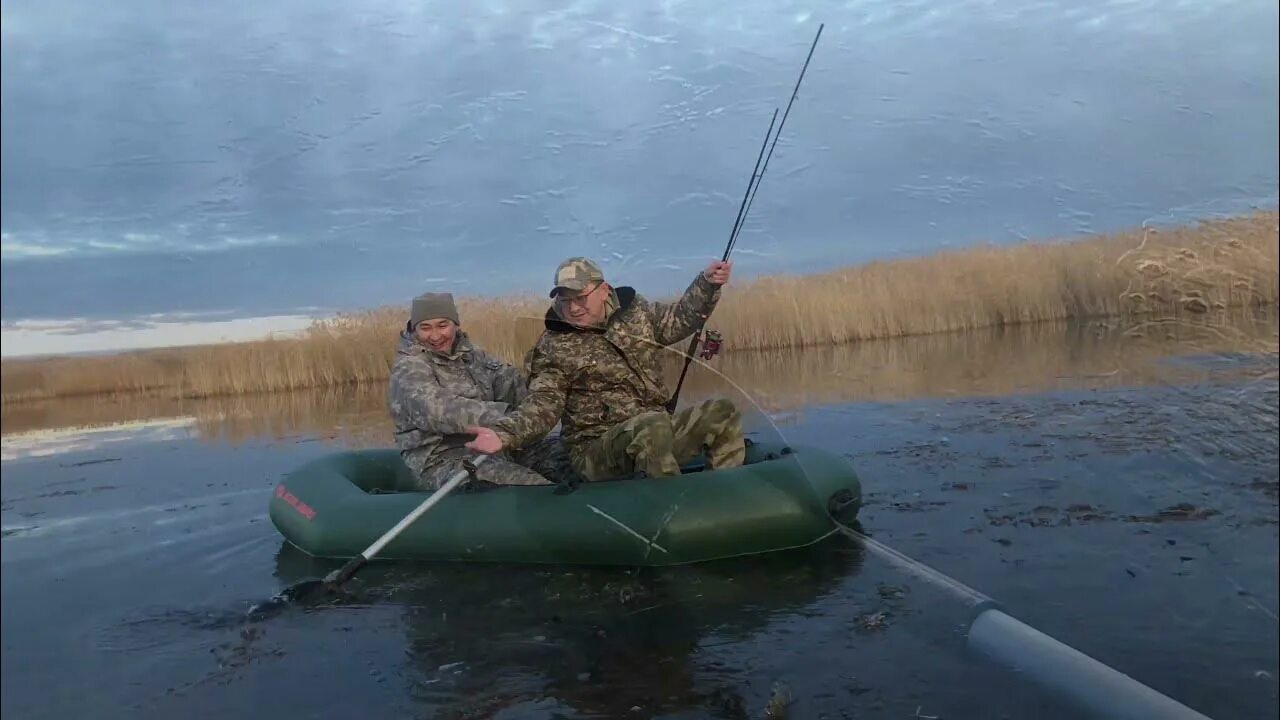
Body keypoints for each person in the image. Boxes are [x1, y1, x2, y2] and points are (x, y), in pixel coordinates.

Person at [464, 257, 746, 481]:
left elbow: (679, 320)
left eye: (580, 298)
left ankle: (724, 493)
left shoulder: (636, 312)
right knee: (650, 426)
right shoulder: (553, 347)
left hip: (655, 428)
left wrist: (707, 284)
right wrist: (504, 434)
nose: (573, 308)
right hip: (594, 450)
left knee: (721, 411)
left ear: (604, 291)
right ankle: (671, 511)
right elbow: (543, 404)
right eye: (564, 300)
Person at [387, 291, 576, 491]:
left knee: (568, 458)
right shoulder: (409, 367)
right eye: (425, 328)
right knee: (533, 486)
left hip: (497, 445)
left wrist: (549, 391)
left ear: (456, 324)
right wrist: (512, 419)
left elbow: (512, 384)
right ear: (414, 329)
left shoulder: (474, 356)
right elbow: (438, 411)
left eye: (443, 325)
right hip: (443, 459)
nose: (435, 336)